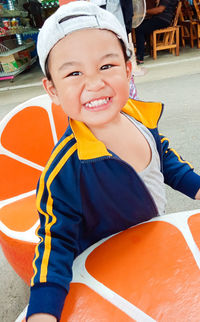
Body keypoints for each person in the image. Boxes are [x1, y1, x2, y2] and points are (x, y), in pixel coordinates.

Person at [26, 2, 200, 321]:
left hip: (151, 244)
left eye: (107, 66)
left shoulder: (138, 116)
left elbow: (164, 159)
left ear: (128, 69)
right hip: (104, 269)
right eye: (74, 72)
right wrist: (42, 312)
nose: (94, 84)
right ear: (52, 89)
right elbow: (55, 244)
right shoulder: (64, 170)